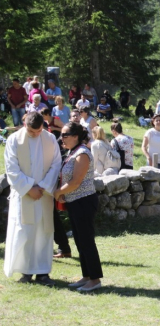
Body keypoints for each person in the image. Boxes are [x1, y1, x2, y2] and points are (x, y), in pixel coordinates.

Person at [3, 112, 61, 285]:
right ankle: (25, 271)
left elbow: (56, 164)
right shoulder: (14, 140)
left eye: (38, 131)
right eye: (31, 131)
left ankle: (43, 272)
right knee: (25, 231)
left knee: (43, 231)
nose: (36, 134)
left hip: (43, 195)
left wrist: (42, 186)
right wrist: (29, 188)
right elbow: (11, 168)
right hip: (24, 196)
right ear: (25, 125)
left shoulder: (50, 139)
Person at [54, 122, 103, 291]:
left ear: (76, 136)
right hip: (75, 202)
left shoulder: (82, 153)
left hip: (84, 202)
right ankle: (87, 276)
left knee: (86, 240)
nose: (62, 139)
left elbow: (75, 182)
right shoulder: (72, 152)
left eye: (65, 135)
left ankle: (95, 279)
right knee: (79, 240)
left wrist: (57, 193)